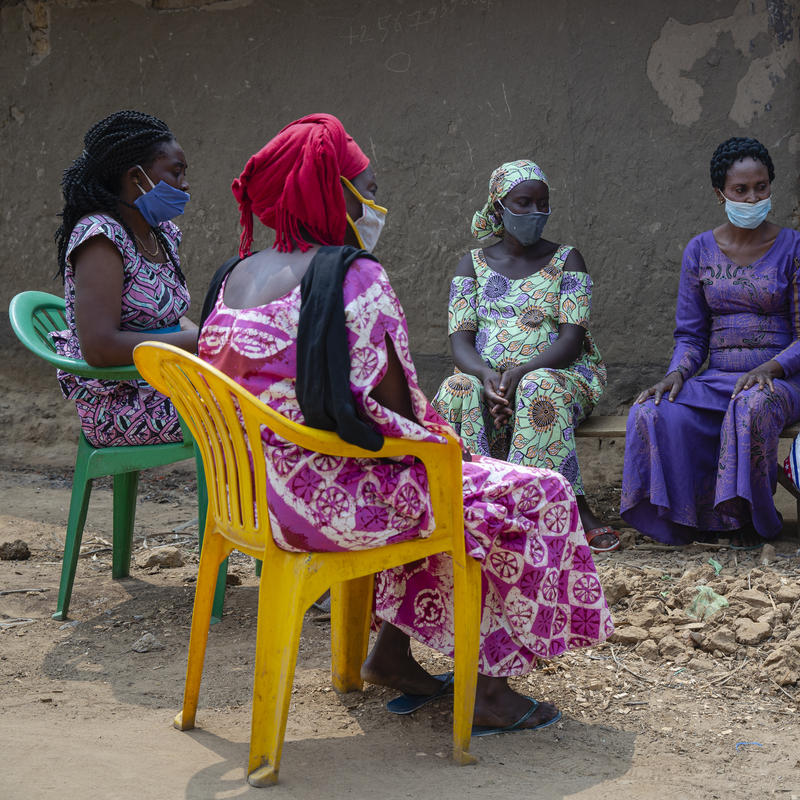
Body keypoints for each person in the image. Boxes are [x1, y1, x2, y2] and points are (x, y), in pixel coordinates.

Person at [198, 114, 612, 734]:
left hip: (254, 497)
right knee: (528, 495)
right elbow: (401, 415)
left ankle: (391, 654)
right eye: (363, 189)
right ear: (331, 193)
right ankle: (490, 689)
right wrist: (456, 448)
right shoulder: (353, 277)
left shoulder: (231, 276)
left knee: (449, 490)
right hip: (329, 500)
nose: (373, 203)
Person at [620, 137, 800, 545]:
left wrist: (769, 368)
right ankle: (687, 519)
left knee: (751, 403)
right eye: (741, 190)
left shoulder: (798, 250)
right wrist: (677, 373)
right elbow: (691, 335)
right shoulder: (699, 250)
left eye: (761, 187)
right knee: (650, 410)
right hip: (719, 381)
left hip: (782, 381)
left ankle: (749, 520)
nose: (753, 198)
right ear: (720, 194)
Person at [432, 161, 616, 552]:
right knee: (456, 388)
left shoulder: (567, 260)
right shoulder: (472, 265)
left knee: (537, 386)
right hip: (491, 381)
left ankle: (563, 512)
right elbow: (460, 342)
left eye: (542, 203)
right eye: (524, 203)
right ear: (499, 208)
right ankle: (466, 510)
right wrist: (488, 377)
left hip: (561, 376)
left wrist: (520, 373)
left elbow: (571, 340)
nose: (536, 212)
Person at [52, 110, 198, 447]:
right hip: (122, 403)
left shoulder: (161, 234)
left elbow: (172, 319)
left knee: (263, 390)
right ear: (136, 177)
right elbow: (99, 348)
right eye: (176, 172)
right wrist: (202, 342)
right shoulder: (101, 238)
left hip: (164, 384)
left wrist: (210, 340)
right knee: (253, 410)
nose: (185, 184)